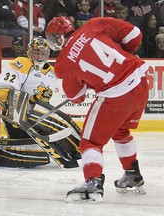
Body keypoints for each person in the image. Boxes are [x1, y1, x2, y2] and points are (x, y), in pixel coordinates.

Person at [45, 16, 149, 202]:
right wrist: (123, 56)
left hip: (117, 94)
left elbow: (75, 97)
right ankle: (132, 174)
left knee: (90, 142)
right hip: (140, 79)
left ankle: (93, 182)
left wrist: (88, 83)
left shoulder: (62, 64)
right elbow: (135, 35)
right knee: (121, 131)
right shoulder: (94, 24)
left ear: (57, 36)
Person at [0, 36, 80, 168]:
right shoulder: (21, 63)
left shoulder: (53, 72)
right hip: (19, 115)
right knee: (25, 131)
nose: (39, 56)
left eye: (43, 53)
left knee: (64, 125)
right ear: (30, 52)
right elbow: (1, 88)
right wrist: (21, 107)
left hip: (40, 114)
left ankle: (75, 149)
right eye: (37, 52)